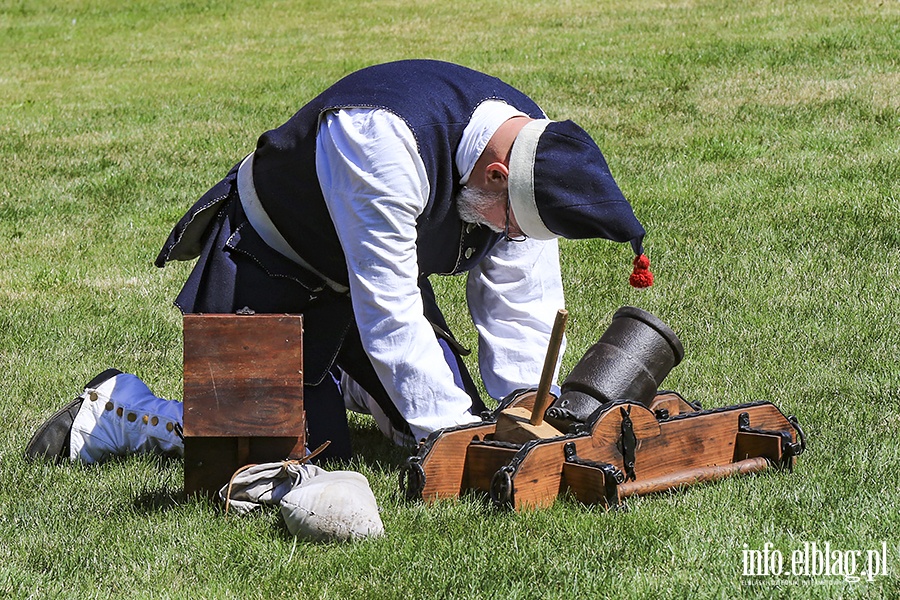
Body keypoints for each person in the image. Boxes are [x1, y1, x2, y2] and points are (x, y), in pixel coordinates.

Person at [26, 59, 652, 465]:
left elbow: (521, 293)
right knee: (275, 460)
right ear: (493, 173)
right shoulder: (378, 137)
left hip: (357, 288)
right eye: (506, 222)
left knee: (424, 435)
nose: (506, 237)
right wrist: (455, 434)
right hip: (269, 266)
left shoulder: (537, 155)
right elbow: (390, 301)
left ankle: (334, 377)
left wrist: (520, 406)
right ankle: (120, 410)